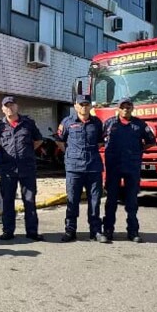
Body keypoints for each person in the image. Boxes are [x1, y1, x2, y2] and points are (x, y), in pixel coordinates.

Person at [0, 96, 45, 241]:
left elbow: (38, 139)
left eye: (12, 105)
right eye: (6, 106)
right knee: (7, 200)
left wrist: (27, 151)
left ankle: (32, 231)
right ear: (2, 109)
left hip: (27, 168)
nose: (9, 108)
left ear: (17, 106)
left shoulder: (28, 123)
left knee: (29, 200)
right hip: (8, 169)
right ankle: (8, 231)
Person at [102, 97, 156, 243]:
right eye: (123, 107)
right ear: (118, 109)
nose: (125, 109)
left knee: (131, 201)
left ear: (132, 108)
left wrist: (138, 151)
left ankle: (133, 232)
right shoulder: (109, 123)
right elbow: (99, 140)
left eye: (128, 107)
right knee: (111, 201)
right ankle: (107, 231)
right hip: (113, 167)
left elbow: (151, 141)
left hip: (132, 168)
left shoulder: (139, 124)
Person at [55, 94, 105, 242]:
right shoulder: (67, 122)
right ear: (75, 106)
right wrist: (71, 153)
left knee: (95, 201)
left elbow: (100, 142)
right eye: (81, 104)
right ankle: (70, 230)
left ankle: (96, 231)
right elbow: (59, 140)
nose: (84, 107)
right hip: (74, 169)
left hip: (93, 168)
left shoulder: (97, 123)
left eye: (86, 104)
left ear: (90, 106)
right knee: (72, 201)